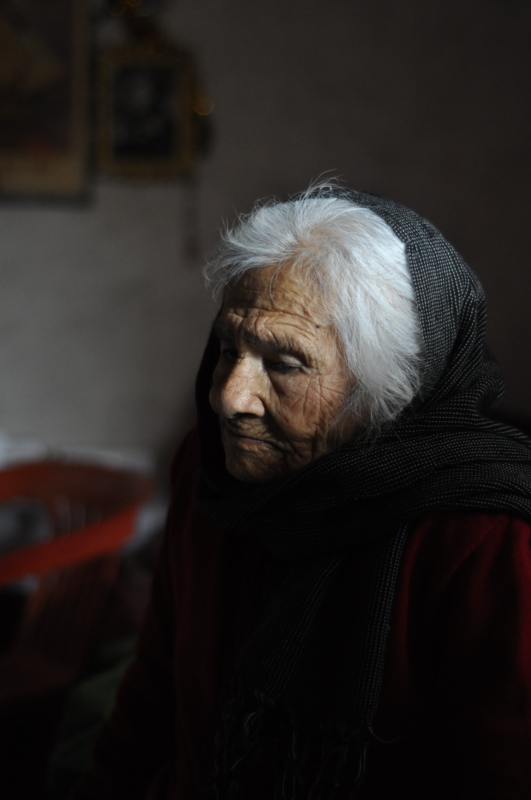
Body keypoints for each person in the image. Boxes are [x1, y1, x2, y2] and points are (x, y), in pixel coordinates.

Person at [71, 184, 531, 799]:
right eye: (229, 348)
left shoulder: (485, 539)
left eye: (284, 364)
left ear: (385, 392)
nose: (230, 399)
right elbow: (155, 692)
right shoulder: (207, 469)